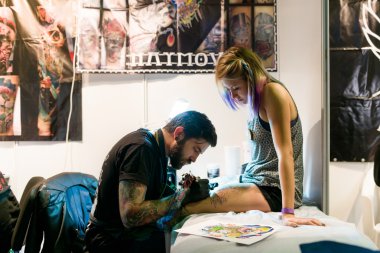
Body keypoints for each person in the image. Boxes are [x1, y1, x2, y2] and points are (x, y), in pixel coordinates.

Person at [182, 46, 324, 227]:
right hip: (257, 180)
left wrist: (287, 212)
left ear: (252, 78)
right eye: (228, 90)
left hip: (275, 190)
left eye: (236, 88)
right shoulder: (255, 104)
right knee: (206, 188)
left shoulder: (273, 93)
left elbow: (285, 154)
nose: (232, 95)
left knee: (193, 206)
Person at [85, 110, 217, 253]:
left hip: (122, 237)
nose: (194, 159)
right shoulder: (141, 148)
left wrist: (185, 190)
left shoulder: (157, 151)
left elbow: (158, 196)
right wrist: (182, 196)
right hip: (107, 242)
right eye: (195, 149)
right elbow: (130, 216)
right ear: (179, 134)